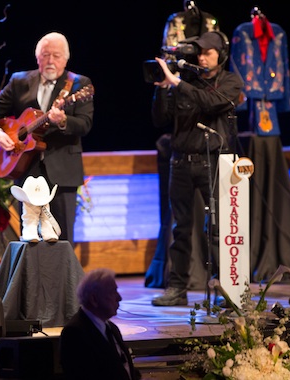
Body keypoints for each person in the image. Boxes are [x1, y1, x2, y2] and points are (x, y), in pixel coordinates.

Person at [150, 31, 244, 306]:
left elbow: (210, 103)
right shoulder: (184, 83)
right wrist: (161, 89)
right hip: (180, 162)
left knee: (217, 229)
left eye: (208, 53)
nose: (202, 57)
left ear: (221, 55)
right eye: (199, 53)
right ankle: (177, 289)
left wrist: (177, 83)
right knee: (180, 228)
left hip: (213, 162)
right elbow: (159, 119)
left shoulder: (230, 82)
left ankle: (223, 289)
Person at [0, 31, 94, 248]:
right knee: (29, 239)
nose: (51, 60)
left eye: (57, 56)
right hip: (26, 169)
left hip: (63, 171)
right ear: (37, 57)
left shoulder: (80, 85)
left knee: (63, 238)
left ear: (66, 59)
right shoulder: (20, 81)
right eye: (45, 54)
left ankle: (64, 283)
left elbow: (85, 124)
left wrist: (62, 121)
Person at [59, 268, 141, 380]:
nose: (119, 298)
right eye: (113, 292)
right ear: (94, 299)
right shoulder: (74, 333)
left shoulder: (112, 328)